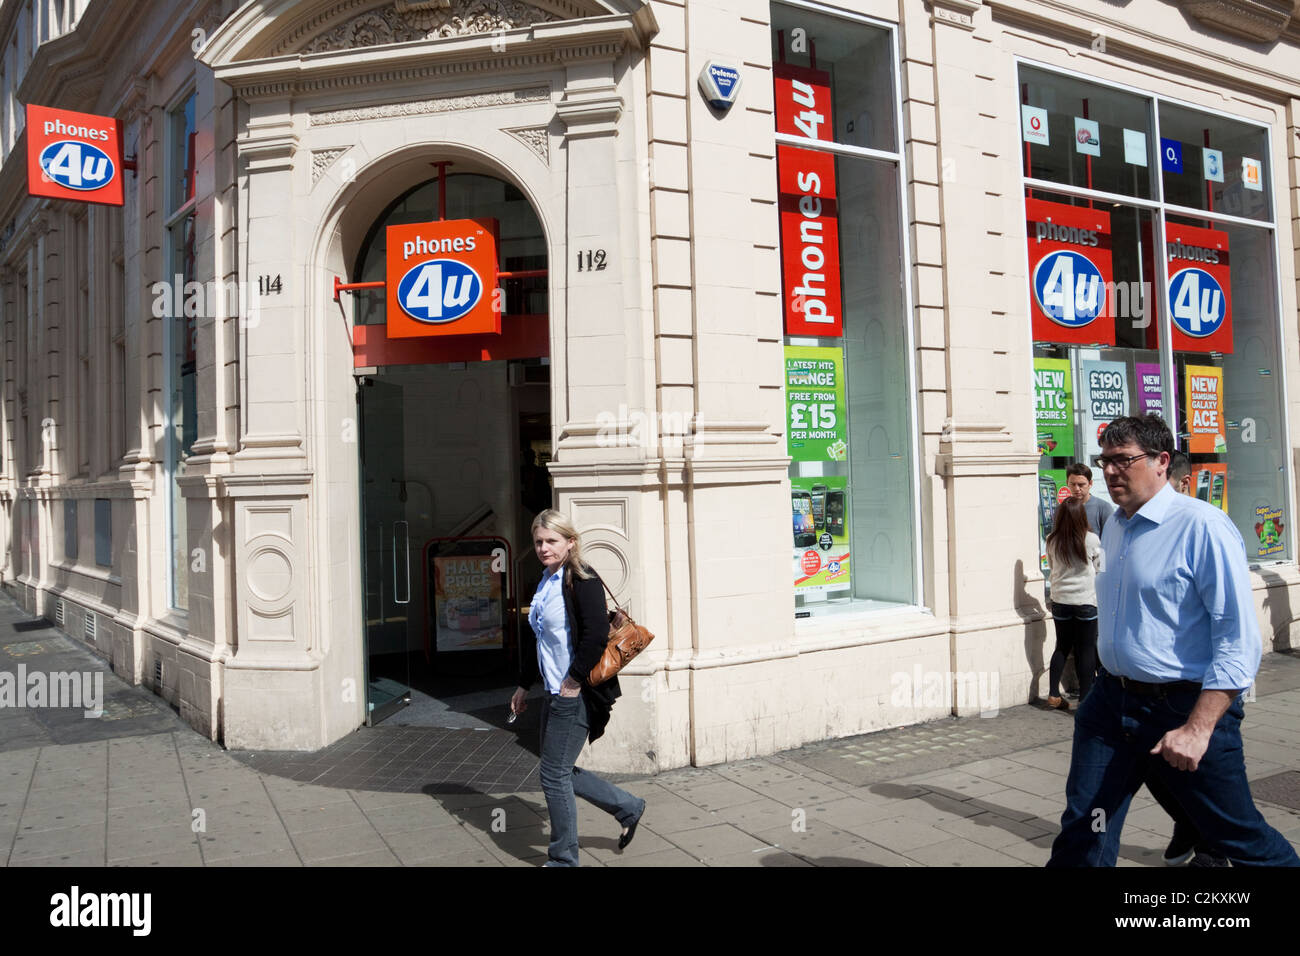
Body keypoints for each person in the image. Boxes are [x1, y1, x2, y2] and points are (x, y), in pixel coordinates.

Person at [1047, 414, 1299, 867]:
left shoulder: (1202, 526)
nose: (1110, 471)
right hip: (1110, 706)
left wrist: (1198, 728)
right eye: (1104, 460)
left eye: (1123, 460)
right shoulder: (1116, 525)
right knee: (1088, 825)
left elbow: (1237, 640)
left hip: (1182, 708)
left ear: (1163, 461)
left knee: (1237, 837)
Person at [511, 509, 646, 866]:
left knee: (553, 775)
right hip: (554, 691)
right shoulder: (544, 582)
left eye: (552, 541)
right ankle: (628, 806)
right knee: (558, 768)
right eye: (539, 541)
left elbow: (595, 635)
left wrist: (572, 680)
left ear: (570, 543)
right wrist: (525, 685)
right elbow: (537, 639)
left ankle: (563, 859)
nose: (544, 548)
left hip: (576, 692)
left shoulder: (582, 580)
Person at [1143, 453, 1231, 866]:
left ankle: (1211, 848)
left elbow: (1232, 627)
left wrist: (1209, 712)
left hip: (1198, 687)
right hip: (1140, 689)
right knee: (1156, 771)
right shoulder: (1129, 525)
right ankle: (1191, 826)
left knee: (1224, 804)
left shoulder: (1204, 524)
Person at [1043, 497, 1103, 711]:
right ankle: (1085, 700)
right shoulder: (1092, 540)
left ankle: (1052, 694)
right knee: (1086, 650)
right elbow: (1101, 568)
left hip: (1060, 601)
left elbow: (1050, 566)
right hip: (1086, 600)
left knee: (1062, 646)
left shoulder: (1051, 539)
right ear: (1082, 516)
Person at [1066, 462, 1114, 535]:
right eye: (1073, 484)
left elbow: (1110, 539)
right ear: (1067, 483)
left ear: (1090, 483)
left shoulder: (1103, 508)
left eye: (1081, 484)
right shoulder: (1062, 509)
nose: (1076, 489)